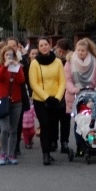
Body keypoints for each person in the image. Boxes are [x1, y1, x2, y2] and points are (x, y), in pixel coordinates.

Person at [28, 36, 66, 166]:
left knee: (53, 125)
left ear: (50, 45)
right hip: (41, 100)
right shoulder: (35, 63)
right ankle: (45, 154)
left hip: (55, 99)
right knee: (45, 125)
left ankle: (49, 149)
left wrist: (57, 97)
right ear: (38, 48)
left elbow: (62, 81)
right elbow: (33, 83)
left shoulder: (58, 62)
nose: (44, 47)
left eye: (46, 44)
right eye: (41, 45)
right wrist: (46, 97)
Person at [63, 38, 96, 155]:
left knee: (93, 121)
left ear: (87, 51)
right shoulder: (70, 62)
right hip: (76, 96)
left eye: (83, 50)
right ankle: (80, 146)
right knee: (78, 123)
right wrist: (74, 89)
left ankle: (93, 144)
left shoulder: (94, 62)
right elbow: (68, 80)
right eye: (79, 50)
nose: (81, 52)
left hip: (92, 95)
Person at [0, 44, 26, 165]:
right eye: (6, 54)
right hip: (2, 100)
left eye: (11, 54)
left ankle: (11, 154)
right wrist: (5, 67)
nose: (9, 56)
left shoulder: (17, 66)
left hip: (16, 101)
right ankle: (3, 153)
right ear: (3, 55)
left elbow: (21, 81)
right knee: (5, 128)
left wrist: (17, 68)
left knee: (13, 129)